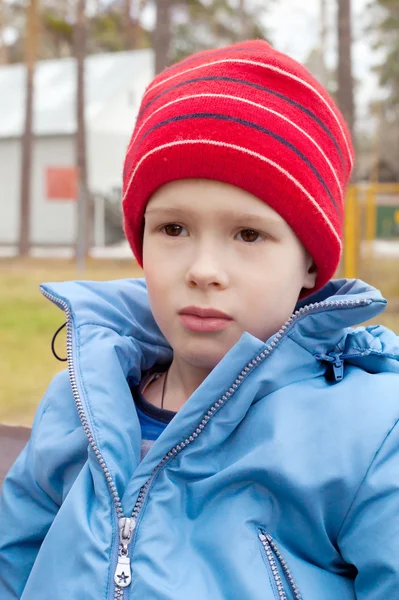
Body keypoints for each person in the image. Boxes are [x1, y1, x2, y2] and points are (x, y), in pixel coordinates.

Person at [0, 39, 398, 600]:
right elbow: (13, 563)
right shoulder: (78, 402)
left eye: (248, 234)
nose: (204, 269)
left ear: (310, 261)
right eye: (174, 229)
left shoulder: (370, 434)